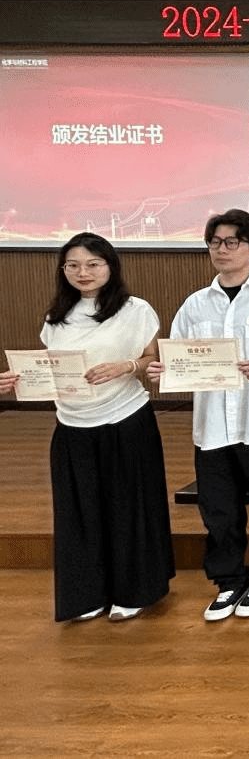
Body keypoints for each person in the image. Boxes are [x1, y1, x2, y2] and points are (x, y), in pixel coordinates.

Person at [0, 233, 174, 623]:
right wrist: (19, 379)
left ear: (110, 267)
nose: (83, 272)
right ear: (63, 270)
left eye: (93, 264)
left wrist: (125, 366)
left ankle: (135, 590)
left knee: (128, 507)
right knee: (79, 512)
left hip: (125, 418)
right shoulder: (56, 316)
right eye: (73, 265)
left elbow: (151, 359)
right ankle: (88, 594)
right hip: (72, 424)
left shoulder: (135, 310)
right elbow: (52, 368)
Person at [150, 209, 249, 621]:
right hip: (213, 425)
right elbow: (179, 354)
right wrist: (166, 369)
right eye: (215, 242)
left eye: (231, 242)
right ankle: (229, 580)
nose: (221, 250)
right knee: (218, 509)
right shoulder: (195, 305)